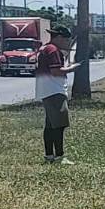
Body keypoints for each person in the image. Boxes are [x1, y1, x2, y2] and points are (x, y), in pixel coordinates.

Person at [35, 24, 81, 164]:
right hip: (55, 90)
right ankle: (59, 156)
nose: (67, 42)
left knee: (50, 125)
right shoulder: (53, 50)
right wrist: (72, 68)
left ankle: (49, 155)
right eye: (66, 39)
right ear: (59, 37)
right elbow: (56, 71)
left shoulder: (44, 48)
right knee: (59, 125)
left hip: (46, 90)